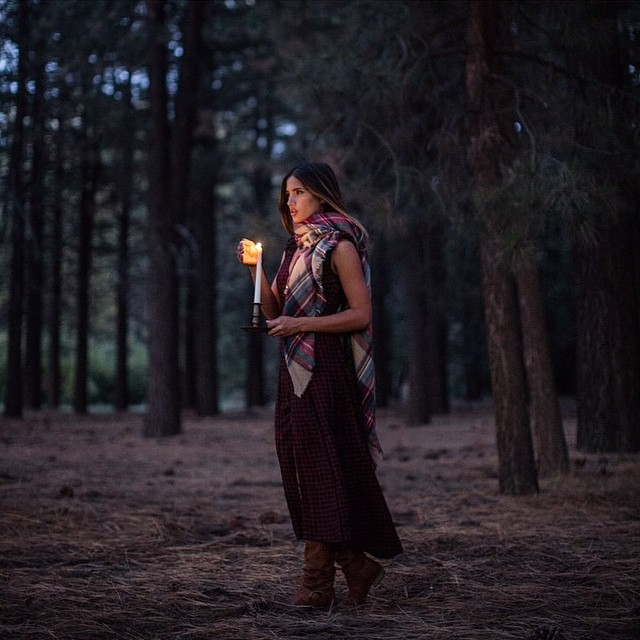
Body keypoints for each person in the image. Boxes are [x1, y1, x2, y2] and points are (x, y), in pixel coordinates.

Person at [237, 161, 402, 609]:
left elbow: (361, 315)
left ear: (322, 196)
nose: (289, 203)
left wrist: (300, 324)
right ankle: (355, 567)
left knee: (322, 471)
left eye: (299, 193)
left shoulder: (339, 246)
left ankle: (316, 586)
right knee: (305, 469)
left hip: (327, 368)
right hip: (294, 370)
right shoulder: (294, 250)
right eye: (287, 195)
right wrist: (255, 269)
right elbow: (273, 312)